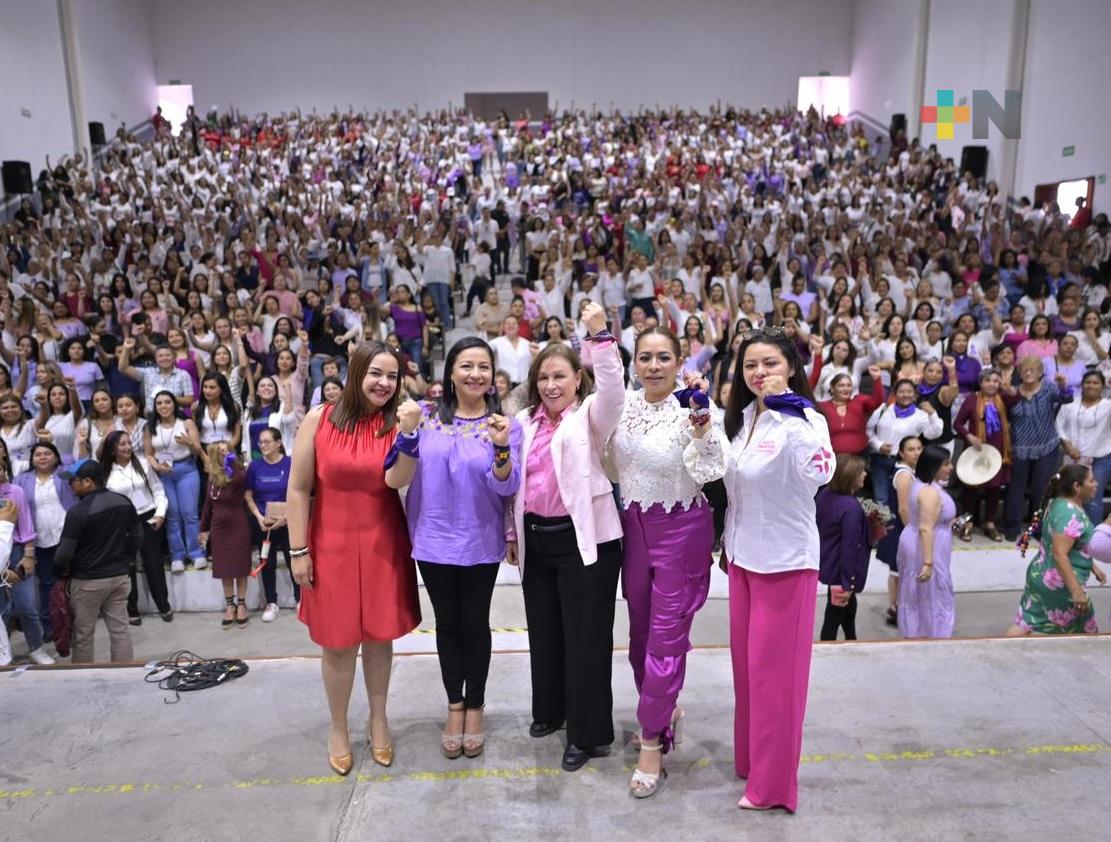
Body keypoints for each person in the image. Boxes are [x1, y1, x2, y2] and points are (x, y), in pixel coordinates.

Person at [287, 341, 421, 776]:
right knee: (339, 644)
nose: (384, 383)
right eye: (375, 373)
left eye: (392, 376)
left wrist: (408, 437)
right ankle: (338, 725)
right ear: (355, 373)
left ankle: (379, 720)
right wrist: (298, 550)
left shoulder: (395, 423)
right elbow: (297, 487)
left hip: (383, 542)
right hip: (330, 544)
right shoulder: (318, 419)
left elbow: (396, 480)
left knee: (380, 639)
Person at [385, 336, 521, 760]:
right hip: (432, 539)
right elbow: (396, 477)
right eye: (466, 366)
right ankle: (454, 705)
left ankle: (476, 706)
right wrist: (406, 433)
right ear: (450, 373)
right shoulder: (421, 417)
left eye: (483, 367)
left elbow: (508, 485)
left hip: (480, 540)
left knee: (475, 624)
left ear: (493, 376)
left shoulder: (504, 423)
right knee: (447, 625)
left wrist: (501, 446)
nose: (475, 374)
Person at [507, 302, 624, 773]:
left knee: (586, 639)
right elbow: (511, 484)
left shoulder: (592, 415)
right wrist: (510, 534)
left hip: (587, 543)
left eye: (560, 376)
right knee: (546, 633)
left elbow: (615, 389)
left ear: (578, 378)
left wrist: (600, 335)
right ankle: (551, 711)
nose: (551, 385)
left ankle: (587, 733)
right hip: (537, 541)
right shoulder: (522, 423)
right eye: (543, 378)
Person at [721, 326, 834, 812]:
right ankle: (751, 761)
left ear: (789, 367)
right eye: (750, 365)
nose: (759, 373)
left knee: (775, 681)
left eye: (769, 364)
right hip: (743, 559)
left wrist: (795, 418)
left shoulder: (805, 418)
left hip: (785, 564)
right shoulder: (744, 418)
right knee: (747, 674)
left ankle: (772, 787)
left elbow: (820, 473)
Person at [610, 326, 727, 797]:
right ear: (634, 363)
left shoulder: (694, 407)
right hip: (633, 529)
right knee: (639, 636)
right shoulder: (623, 404)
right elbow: (606, 461)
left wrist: (702, 431)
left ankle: (653, 741)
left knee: (663, 639)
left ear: (680, 363)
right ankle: (660, 707)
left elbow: (712, 470)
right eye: (645, 357)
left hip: (681, 531)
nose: (654, 366)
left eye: (663, 358)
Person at [53, 459, 143, 663]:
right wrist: (126, 559)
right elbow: (137, 536)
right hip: (119, 578)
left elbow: (64, 554)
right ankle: (124, 676)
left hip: (87, 582)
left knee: (83, 635)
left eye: (73, 481)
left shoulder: (77, 512)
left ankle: (85, 681)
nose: (69, 485)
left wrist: (59, 571)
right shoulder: (123, 501)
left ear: (87, 482)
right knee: (120, 630)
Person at [1007, 463, 1105, 635]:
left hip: (1041, 574)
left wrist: (1092, 566)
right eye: (1091, 481)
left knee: (1027, 622)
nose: (1095, 484)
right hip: (1060, 583)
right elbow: (1060, 554)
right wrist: (1076, 592)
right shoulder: (1070, 514)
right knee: (1087, 631)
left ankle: (998, 653)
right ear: (1076, 487)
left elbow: (1072, 546)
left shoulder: (1058, 503)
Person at [100, 431, 173, 625]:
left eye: (128, 443)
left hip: (148, 516)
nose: (126, 447)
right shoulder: (105, 471)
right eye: (121, 444)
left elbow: (158, 490)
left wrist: (160, 513)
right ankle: (131, 610)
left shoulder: (142, 463)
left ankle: (163, 605)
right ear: (112, 449)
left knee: (154, 563)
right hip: (122, 522)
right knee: (127, 567)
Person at [1003, 356, 1071, 540]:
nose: (1028, 372)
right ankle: (1011, 528)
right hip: (1020, 448)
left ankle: (1038, 529)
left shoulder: (1049, 388)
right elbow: (1004, 415)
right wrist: (1007, 390)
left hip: (1046, 447)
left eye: (1032, 369)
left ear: (1041, 372)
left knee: (1041, 491)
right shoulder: (1013, 392)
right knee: (1015, 490)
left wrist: (1064, 385)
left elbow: (1067, 398)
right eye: (1024, 369)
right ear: (1019, 372)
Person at [817, 454, 883, 641]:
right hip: (841, 573)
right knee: (833, 617)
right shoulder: (850, 507)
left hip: (829, 563)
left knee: (848, 607)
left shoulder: (824, 496)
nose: (865, 474)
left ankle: (851, 638)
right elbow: (849, 547)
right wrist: (849, 583)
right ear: (849, 476)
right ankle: (827, 649)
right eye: (861, 472)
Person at [0, 441, 54, 664]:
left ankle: (36, 647)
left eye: (1, 465)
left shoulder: (15, 491)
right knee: (3, 610)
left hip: (15, 552)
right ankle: (5, 653)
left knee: (27, 606)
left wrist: (28, 555)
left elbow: (26, 525)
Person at [897, 445, 958, 638]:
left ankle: (917, 630)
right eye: (946, 464)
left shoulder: (922, 485)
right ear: (934, 466)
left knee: (917, 592)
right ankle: (932, 632)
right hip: (927, 546)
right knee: (933, 591)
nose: (951, 467)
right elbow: (925, 528)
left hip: (921, 540)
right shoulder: (929, 493)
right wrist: (928, 562)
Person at [145, 390, 205, 572]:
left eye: (167, 402)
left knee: (190, 513)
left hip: (186, 470)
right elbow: (148, 454)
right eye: (159, 403)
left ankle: (196, 553)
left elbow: (198, 451)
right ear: (155, 407)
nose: (164, 406)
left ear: (174, 404)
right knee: (172, 515)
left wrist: (189, 443)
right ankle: (177, 555)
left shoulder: (186, 423)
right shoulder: (150, 426)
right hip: (164, 473)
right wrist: (156, 467)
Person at [865, 379, 943, 507]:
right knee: (881, 499)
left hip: (903, 463)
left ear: (915, 395)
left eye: (909, 392)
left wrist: (933, 413)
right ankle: (882, 526)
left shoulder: (920, 416)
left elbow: (934, 433)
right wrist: (878, 445)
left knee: (903, 501)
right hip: (880, 460)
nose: (905, 395)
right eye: (901, 391)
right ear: (895, 394)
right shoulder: (883, 409)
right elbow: (868, 430)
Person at [200, 441, 253, 628]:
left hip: (237, 525)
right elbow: (208, 504)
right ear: (215, 456)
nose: (226, 454)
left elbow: (240, 480)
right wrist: (203, 528)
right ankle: (229, 606)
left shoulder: (238, 474)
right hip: (219, 529)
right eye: (222, 452)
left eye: (228, 451)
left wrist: (233, 464)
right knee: (225, 570)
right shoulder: (212, 478)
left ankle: (241, 605)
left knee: (240, 568)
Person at [244, 427, 294, 622]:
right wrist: (258, 517)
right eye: (261, 442)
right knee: (267, 562)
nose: (263, 445)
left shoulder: (290, 464)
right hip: (264, 525)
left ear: (278, 443)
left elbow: (298, 493)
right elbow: (248, 496)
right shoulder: (255, 466)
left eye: (267, 442)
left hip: (288, 522)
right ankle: (271, 602)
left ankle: (301, 599)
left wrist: (286, 517)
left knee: (293, 559)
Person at [1055, 370, 1111, 524]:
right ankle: (1067, 533)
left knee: (1093, 499)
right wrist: (1068, 446)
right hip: (1072, 458)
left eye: (1096, 383)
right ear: (1082, 385)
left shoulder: (1108, 406)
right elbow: (1059, 426)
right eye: (1088, 382)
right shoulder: (1070, 405)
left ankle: (1092, 539)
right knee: (1069, 496)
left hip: (1100, 459)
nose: (1091, 386)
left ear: (1102, 386)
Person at [816, 369, 885, 454]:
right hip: (834, 458)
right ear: (832, 388)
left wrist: (877, 379)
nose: (846, 389)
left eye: (849, 385)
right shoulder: (822, 406)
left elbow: (877, 401)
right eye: (841, 385)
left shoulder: (859, 401)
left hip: (860, 456)